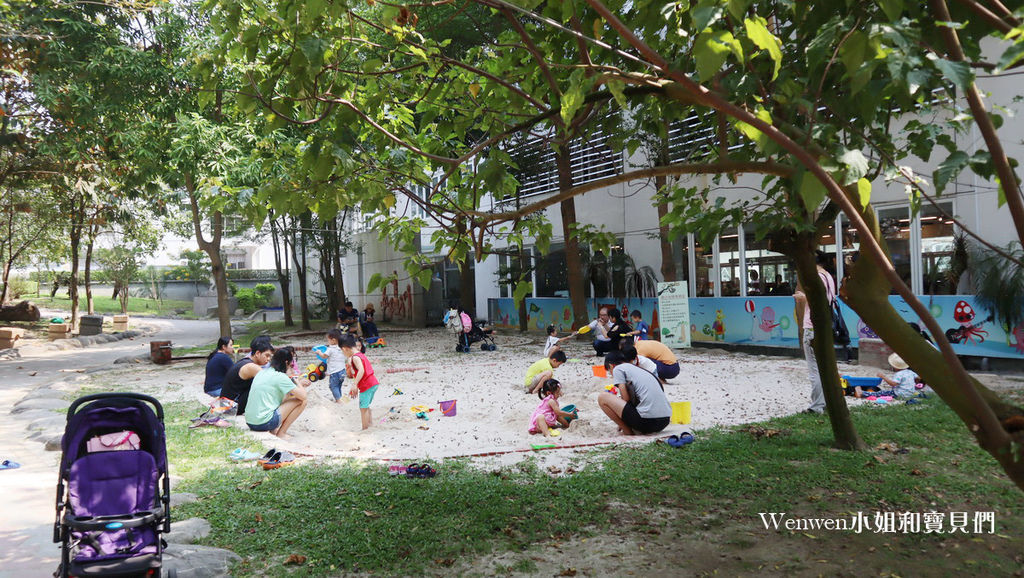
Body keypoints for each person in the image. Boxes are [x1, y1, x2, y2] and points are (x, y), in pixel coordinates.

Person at [792, 253, 836, 414]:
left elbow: (819, 301)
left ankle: (817, 406)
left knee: (815, 369)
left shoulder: (817, 277)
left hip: (812, 327)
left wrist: (803, 298)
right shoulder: (828, 276)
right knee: (824, 367)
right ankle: (828, 402)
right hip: (823, 327)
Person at [598, 350, 671, 435]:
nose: (612, 374)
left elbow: (626, 399)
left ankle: (627, 431)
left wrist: (621, 420)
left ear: (611, 366)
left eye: (609, 371)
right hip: (664, 422)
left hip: (647, 422)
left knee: (602, 397)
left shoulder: (617, 369)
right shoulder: (641, 370)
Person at [245, 347, 309, 440]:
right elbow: (303, 396)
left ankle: (273, 430)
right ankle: (281, 433)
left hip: (250, 422)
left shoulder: (262, 372)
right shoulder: (281, 377)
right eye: (291, 364)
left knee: (284, 398)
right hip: (263, 423)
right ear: (286, 363)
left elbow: (284, 397)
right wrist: (296, 380)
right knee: (303, 401)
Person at [220, 336, 275, 416]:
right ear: (257, 353)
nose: (269, 359)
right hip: (231, 408)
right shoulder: (251, 366)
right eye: (267, 355)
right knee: (262, 386)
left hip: (227, 405)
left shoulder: (246, 361)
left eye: (270, 356)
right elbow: (271, 382)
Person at [341, 334, 379, 430]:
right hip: (372, 383)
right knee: (366, 406)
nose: (343, 354)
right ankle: (370, 424)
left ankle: (365, 429)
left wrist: (354, 384)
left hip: (367, 385)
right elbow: (360, 372)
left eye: (342, 351)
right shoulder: (360, 354)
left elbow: (361, 370)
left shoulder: (355, 357)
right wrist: (357, 386)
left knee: (363, 408)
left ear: (345, 349)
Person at [324, 328, 348, 403]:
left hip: (335, 372)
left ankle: (339, 400)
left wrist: (318, 352)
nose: (328, 342)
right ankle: (340, 398)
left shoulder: (330, 349)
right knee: (338, 385)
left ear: (333, 340)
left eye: (328, 340)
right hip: (343, 371)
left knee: (333, 386)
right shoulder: (342, 347)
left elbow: (324, 356)